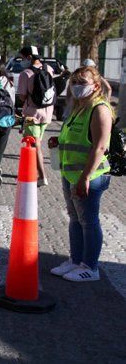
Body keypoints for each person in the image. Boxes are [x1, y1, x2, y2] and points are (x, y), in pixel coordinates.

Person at [48, 66, 113, 282]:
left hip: (91, 177)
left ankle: (90, 267)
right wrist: (58, 142)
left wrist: (85, 177)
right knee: (75, 219)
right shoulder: (78, 107)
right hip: (71, 173)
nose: (76, 86)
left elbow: (99, 148)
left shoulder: (99, 109)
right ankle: (76, 261)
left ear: (95, 85)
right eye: (74, 82)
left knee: (89, 221)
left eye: (82, 82)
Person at [18, 47, 55, 187]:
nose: (22, 61)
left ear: (28, 57)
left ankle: (42, 176)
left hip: (32, 114)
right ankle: (36, 171)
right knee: (37, 142)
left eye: (22, 58)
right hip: (47, 113)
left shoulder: (25, 73)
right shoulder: (49, 68)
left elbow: (22, 96)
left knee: (35, 144)